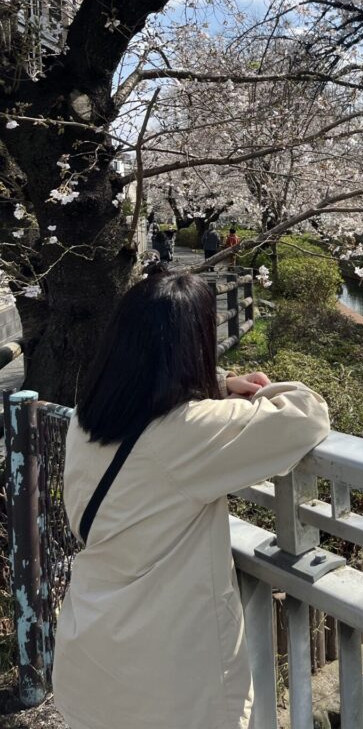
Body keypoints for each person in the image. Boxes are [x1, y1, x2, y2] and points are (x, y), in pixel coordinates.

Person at [52, 273, 329, 729]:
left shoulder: (86, 419)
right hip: (162, 683)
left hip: (90, 652)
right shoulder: (188, 431)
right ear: (192, 348)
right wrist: (246, 387)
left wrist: (216, 384)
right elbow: (306, 415)